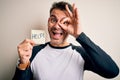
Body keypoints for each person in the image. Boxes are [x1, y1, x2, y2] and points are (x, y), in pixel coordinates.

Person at [12, 1, 119, 80]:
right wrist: (23, 63)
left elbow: (112, 72)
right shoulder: (33, 52)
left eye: (65, 22)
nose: (57, 26)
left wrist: (79, 35)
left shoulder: (81, 53)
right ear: (48, 22)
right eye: (53, 20)